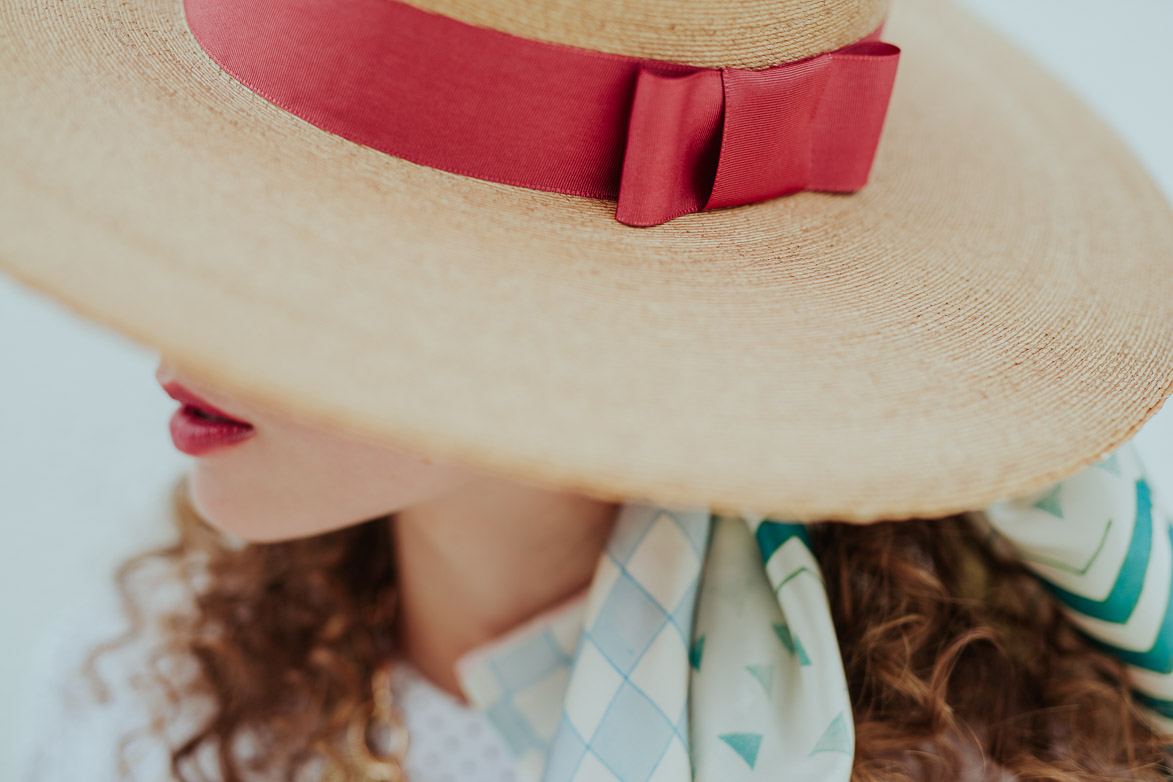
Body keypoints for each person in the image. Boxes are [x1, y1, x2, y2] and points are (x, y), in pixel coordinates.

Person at [4, 0, 1173, 779]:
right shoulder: (146, 685)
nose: (180, 312)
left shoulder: (969, 748)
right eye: (196, 205)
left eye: (299, 246)